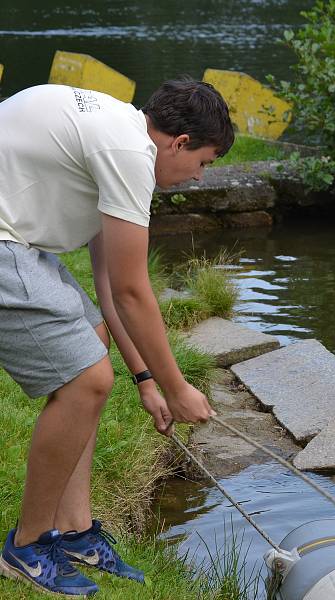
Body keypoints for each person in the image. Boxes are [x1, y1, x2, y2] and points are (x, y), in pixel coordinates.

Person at [0, 78, 234, 596]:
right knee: (86, 381)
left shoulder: (116, 130)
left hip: (17, 237)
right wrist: (178, 388)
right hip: (4, 241)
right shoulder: (128, 152)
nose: (198, 177)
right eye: (203, 162)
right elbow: (133, 291)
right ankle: (27, 547)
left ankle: (77, 531)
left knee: (91, 341)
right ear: (178, 142)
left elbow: (108, 288)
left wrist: (147, 381)